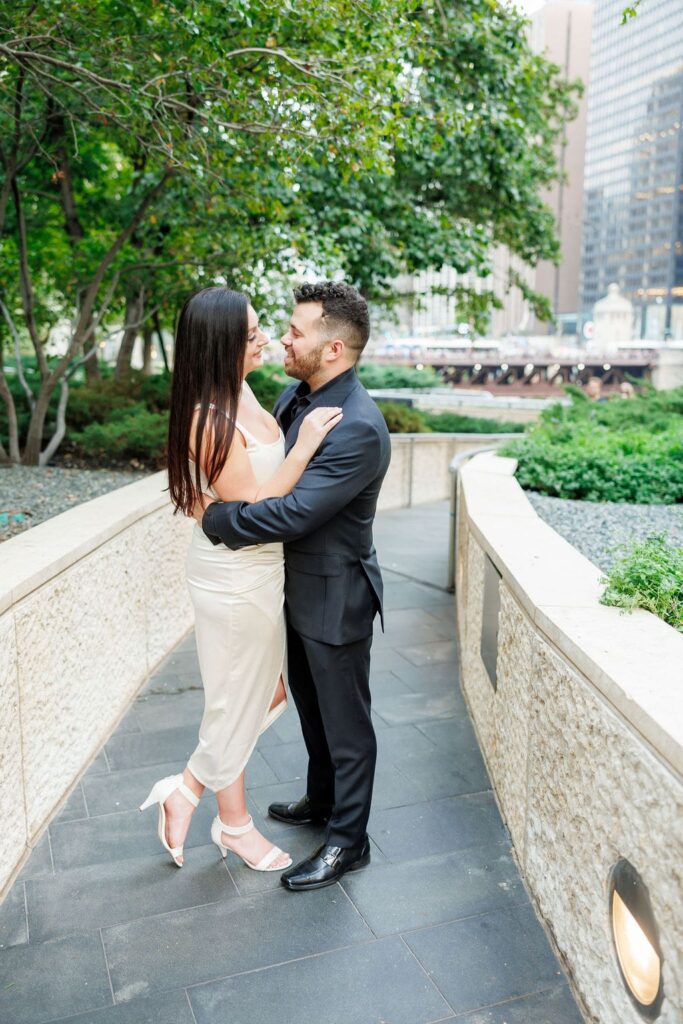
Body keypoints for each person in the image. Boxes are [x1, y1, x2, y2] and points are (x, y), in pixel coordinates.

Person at [195, 280, 392, 891]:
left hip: (335, 594)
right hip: (290, 590)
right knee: (310, 707)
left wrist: (219, 519)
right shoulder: (293, 393)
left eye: (297, 331)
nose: (284, 337)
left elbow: (292, 512)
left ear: (333, 350)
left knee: (347, 724)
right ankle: (320, 799)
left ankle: (347, 841)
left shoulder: (356, 425)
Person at [140, 286, 343, 872]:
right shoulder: (210, 418)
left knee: (261, 692)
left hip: (262, 572)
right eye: (251, 332)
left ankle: (187, 791)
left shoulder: (245, 390)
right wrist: (303, 448)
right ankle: (234, 825)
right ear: (220, 343)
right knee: (236, 699)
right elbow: (253, 508)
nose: (264, 339)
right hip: (233, 575)